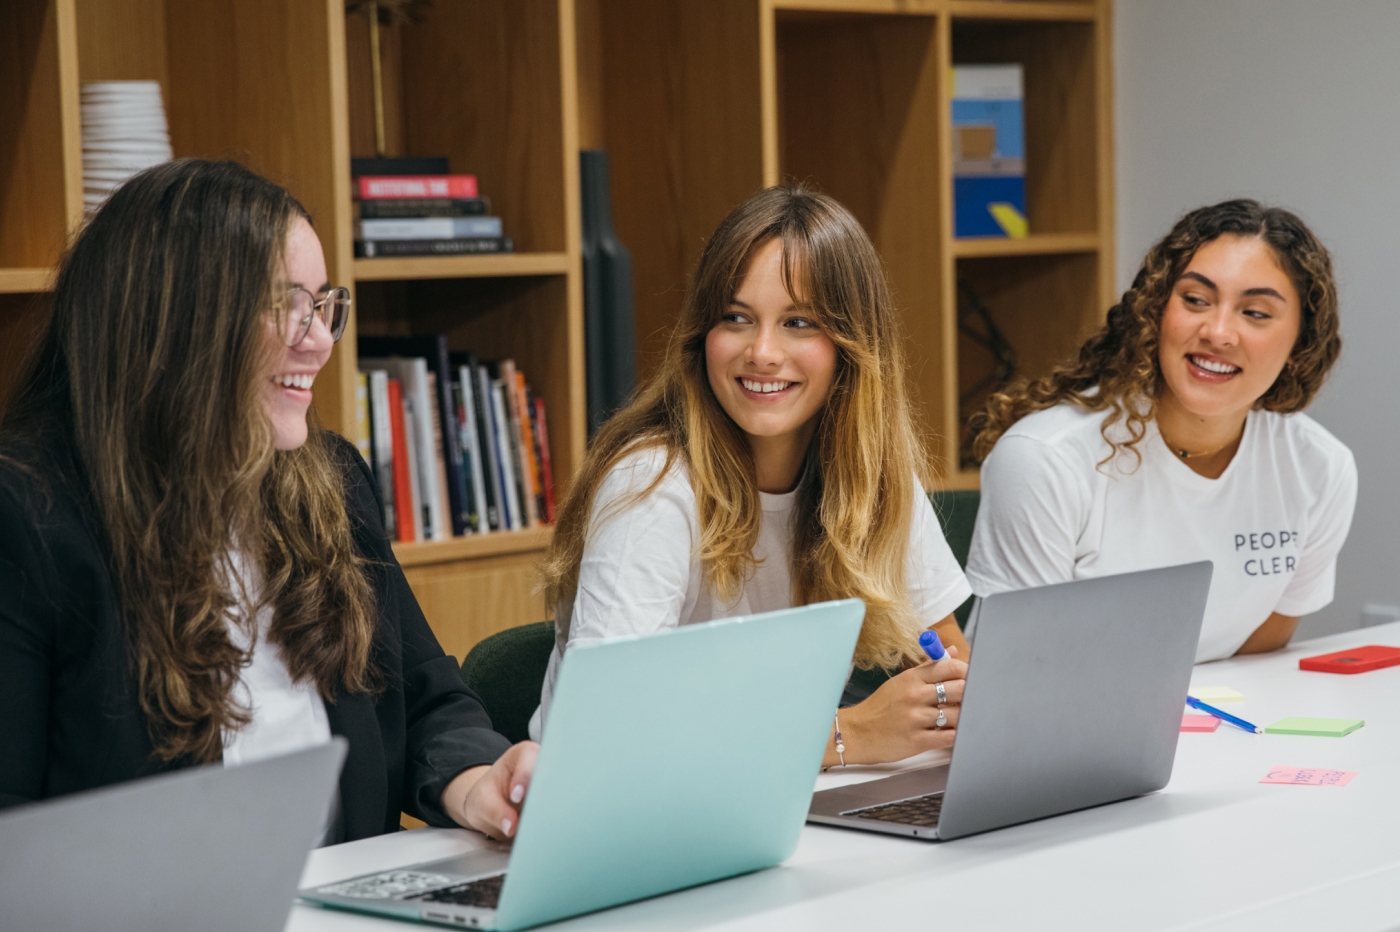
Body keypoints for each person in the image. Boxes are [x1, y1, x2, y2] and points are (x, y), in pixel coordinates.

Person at [0, 159, 534, 842]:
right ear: (176, 322)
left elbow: (429, 702)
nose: (319, 340)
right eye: (286, 305)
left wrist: (479, 782)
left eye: (322, 305)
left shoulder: (331, 483)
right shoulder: (28, 517)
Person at [533, 186, 972, 766]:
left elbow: (956, 676)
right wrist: (848, 736)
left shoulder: (872, 475)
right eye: (736, 318)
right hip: (631, 818)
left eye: (798, 322)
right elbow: (602, 736)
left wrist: (953, 704)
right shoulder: (650, 486)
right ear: (702, 335)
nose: (762, 352)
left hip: (770, 803)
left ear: (853, 347)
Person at [965, 199, 1356, 662]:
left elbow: (1260, 651)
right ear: (1155, 312)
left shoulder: (1319, 468)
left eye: (1255, 313)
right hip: (1058, 727)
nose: (1218, 332)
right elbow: (1018, 668)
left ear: (1300, 344)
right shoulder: (1045, 458)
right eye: (1195, 300)